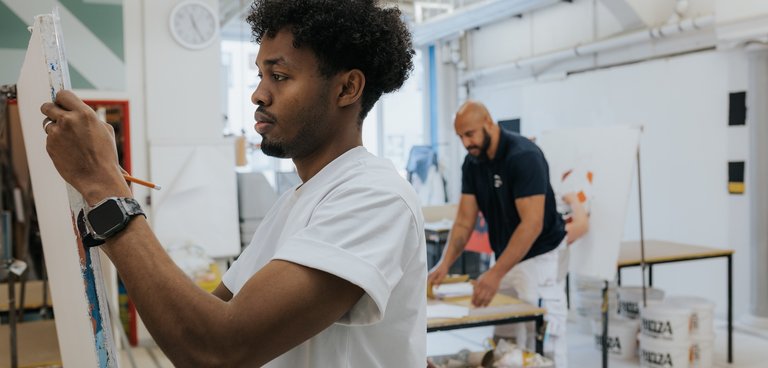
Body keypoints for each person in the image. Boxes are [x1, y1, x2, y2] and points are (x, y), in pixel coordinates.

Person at [40, 1, 425, 367]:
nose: (258, 93)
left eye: (279, 76)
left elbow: (217, 349)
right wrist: (102, 193)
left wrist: (106, 189)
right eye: (260, 75)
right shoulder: (294, 204)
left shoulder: (375, 197)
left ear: (346, 89)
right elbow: (202, 321)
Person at [427, 101, 569, 367]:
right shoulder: (473, 163)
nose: (466, 143)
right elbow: (463, 222)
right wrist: (444, 264)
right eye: (460, 137)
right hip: (506, 255)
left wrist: (495, 273)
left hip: (540, 257)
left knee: (543, 338)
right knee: (505, 339)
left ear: (489, 123)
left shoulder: (523, 156)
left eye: (470, 134)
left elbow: (532, 224)